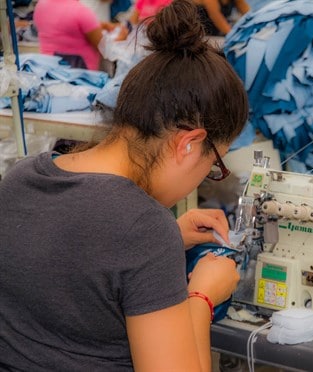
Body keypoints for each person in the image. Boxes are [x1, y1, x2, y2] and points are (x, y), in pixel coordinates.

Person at [0, 0, 249, 370]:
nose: (207, 174)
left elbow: (72, 260)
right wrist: (202, 295)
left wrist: (168, 240)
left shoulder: (22, 178)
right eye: (213, 165)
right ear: (189, 143)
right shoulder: (143, 229)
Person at [33, 0, 128, 70]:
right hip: (80, 76)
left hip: (49, 70)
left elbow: (62, 28)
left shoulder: (41, 5)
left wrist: (98, 25)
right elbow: (104, 48)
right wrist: (121, 37)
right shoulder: (81, 12)